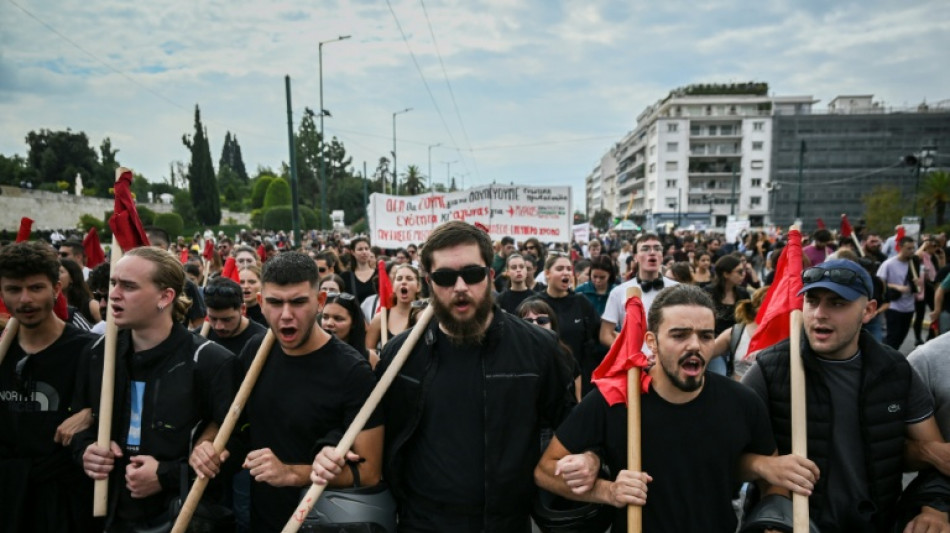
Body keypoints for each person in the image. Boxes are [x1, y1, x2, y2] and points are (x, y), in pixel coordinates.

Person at [535, 285, 815, 532]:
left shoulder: (742, 402)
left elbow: (774, 477)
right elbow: (545, 471)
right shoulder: (615, 400)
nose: (695, 345)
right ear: (652, 343)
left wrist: (774, 523)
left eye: (706, 336)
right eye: (679, 335)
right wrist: (608, 491)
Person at [375, 221, 575, 531]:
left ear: (491, 276)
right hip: (421, 523)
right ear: (428, 282)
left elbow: (571, 429)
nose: (459, 287)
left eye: (472, 274)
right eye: (444, 277)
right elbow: (373, 434)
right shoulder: (399, 356)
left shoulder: (538, 349)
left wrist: (588, 460)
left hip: (505, 524)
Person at [742, 259, 950, 531]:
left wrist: (934, 509)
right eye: (812, 301)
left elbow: (939, 459)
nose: (819, 313)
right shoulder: (770, 370)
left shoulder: (896, 371)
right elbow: (723, 456)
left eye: (837, 303)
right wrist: (762, 466)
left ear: (869, 311)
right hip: (795, 525)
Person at [192, 252, 382, 533]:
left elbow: (369, 472)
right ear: (260, 303)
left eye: (298, 302)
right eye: (275, 302)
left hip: (322, 522)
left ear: (319, 302)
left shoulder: (353, 372)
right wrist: (206, 445)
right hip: (262, 518)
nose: (286, 315)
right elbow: (233, 422)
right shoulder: (256, 352)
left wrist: (292, 473)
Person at [75, 246, 238, 531]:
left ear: (165, 297)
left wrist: (166, 475)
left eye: (128, 286)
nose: (113, 294)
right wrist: (86, 451)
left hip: (181, 518)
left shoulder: (211, 361)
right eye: (114, 283)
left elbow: (233, 449)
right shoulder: (98, 352)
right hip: (109, 515)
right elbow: (78, 422)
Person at [0, 241, 99, 532]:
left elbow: (123, 407)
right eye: (14, 289)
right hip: (8, 495)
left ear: (56, 289)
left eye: (35, 288)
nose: (25, 300)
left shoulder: (89, 350)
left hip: (64, 502)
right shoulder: (3, 351)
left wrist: (92, 413)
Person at [600, 233, 679, 351]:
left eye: (657, 249)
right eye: (645, 249)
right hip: (633, 366)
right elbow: (605, 334)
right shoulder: (619, 292)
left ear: (662, 256)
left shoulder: (678, 289)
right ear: (636, 257)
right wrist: (628, 353)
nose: (652, 252)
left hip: (668, 361)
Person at [536, 254, 600, 395]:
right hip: (546, 379)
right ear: (547, 274)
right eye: (559, 269)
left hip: (579, 380)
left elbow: (598, 335)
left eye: (568, 269)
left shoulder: (581, 302)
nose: (565, 272)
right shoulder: (535, 304)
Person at [516, 298, 581, 403]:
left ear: (552, 324)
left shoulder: (566, 356)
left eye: (542, 321)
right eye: (528, 321)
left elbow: (577, 400)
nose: (535, 325)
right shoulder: (513, 358)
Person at [365, 264, 421, 361]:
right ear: (393, 286)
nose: (404, 282)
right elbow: (368, 350)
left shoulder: (425, 316)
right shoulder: (381, 318)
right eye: (399, 279)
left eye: (409, 278)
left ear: (418, 286)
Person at [202, 277, 267, 357]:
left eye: (226, 320)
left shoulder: (263, 341)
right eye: (213, 319)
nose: (218, 327)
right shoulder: (200, 336)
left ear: (242, 309)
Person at [878, 236, 920, 349]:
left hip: (909, 306)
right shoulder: (889, 264)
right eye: (908, 248)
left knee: (901, 337)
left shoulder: (914, 263)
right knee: (893, 337)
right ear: (900, 247)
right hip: (894, 305)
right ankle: (887, 361)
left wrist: (917, 282)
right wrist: (896, 286)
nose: (911, 251)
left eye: (913, 248)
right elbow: (879, 283)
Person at [705, 254, 751, 338]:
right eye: (739, 272)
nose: (743, 275)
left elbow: (748, 319)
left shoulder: (743, 293)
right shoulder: (708, 293)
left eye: (744, 271)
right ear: (726, 274)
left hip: (737, 340)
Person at [321, 291, 371, 362]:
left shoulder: (370, 358)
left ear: (353, 323)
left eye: (338, 319)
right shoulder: (309, 353)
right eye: (325, 317)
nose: (329, 323)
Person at [60, 257, 101, 324]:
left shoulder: (91, 305)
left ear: (72, 278)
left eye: (60, 272)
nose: (56, 276)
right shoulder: (51, 304)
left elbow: (105, 328)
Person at [349, 237, 377, 303]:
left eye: (366, 249)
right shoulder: (346, 277)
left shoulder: (379, 274)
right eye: (360, 249)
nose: (364, 252)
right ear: (353, 252)